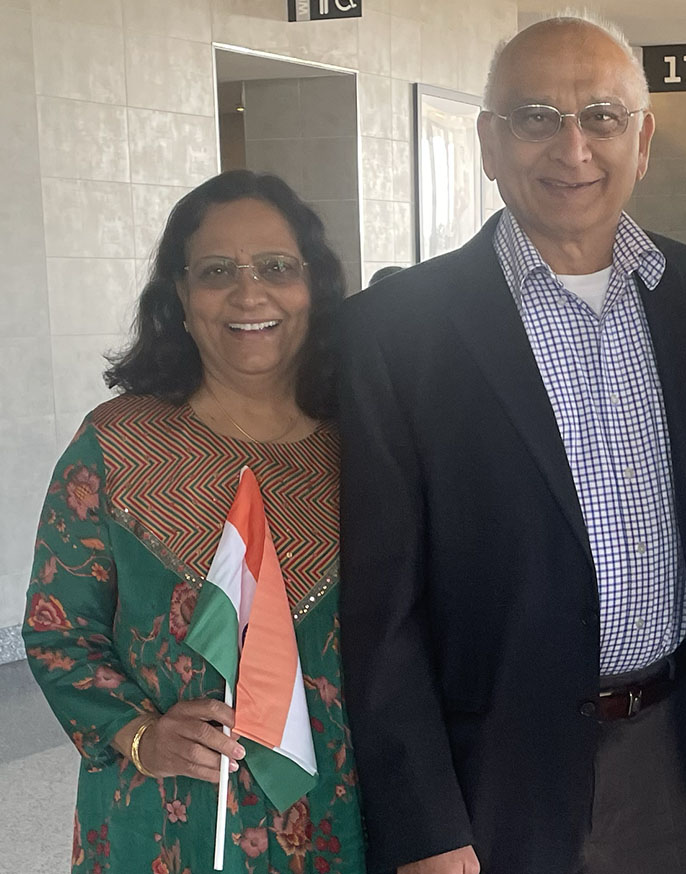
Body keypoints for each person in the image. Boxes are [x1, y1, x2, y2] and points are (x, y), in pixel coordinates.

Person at [339, 14, 686, 874]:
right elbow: (382, 610)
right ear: (490, 142)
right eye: (536, 117)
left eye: (602, 117)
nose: (573, 150)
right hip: (489, 772)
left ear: (643, 141)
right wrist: (427, 825)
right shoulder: (399, 328)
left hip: (667, 754)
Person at [23, 170, 366, 873]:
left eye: (276, 267)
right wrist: (141, 736)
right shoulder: (115, 446)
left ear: (314, 287)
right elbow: (61, 630)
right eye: (217, 272)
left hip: (342, 813)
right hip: (166, 819)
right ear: (180, 296)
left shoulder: (367, 447)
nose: (249, 293)